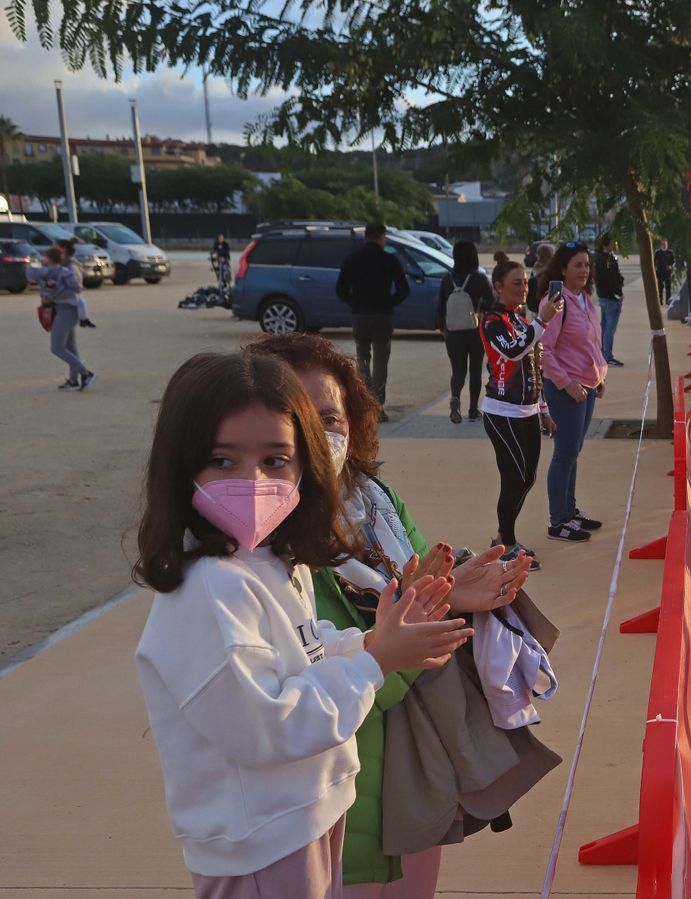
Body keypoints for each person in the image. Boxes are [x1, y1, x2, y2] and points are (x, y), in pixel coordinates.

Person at [131, 350, 470, 894]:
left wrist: (368, 642)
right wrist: (375, 662)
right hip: (261, 841)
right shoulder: (209, 590)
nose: (254, 480)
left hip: (308, 813)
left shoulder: (269, 559)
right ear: (180, 464)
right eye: (223, 460)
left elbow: (302, 650)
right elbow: (268, 724)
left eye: (275, 459)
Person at [249, 332, 536, 894]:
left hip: (417, 779)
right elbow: (310, 696)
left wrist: (455, 595)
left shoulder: (376, 502)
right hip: (339, 804)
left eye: (331, 416)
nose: (319, 432)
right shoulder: (266, 546)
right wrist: (417, 623)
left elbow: (418, 598)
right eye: (298, 414)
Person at [481, 251, 565, 561]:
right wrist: (542, 320)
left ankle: (503, 537)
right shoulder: (493, 320)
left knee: (527, 478)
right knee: (513, 478)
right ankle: (506, 545)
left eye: (527, 283)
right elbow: (515, 352)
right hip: (502, 412)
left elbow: (535, 363)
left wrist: (543, 409)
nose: (523, 289)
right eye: (517, 283)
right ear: (499, 285)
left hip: (528, 410)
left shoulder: (520, 318)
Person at [538, 242, 608, 543]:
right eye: (577, 265)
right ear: (563, 269)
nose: (584, 270)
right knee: (565, 453)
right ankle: (558, 521)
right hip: (566, 388)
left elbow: (591, 342)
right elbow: (543, 349)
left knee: (573, 451)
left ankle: (569, 510)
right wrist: (566, 382)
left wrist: (599, 374)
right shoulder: (557, 302)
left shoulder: (583, 299)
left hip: (587, 385)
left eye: (587, 265)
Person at [336, 222, 410, 421]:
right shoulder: (389, 259)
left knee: (362, 359)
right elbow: (404, 290)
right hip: (382, 316)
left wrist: (355, 303)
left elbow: (340, 290)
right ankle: (378, 407)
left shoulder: (352, 259)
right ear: (381, 236)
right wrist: (389, 303)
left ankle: (363, 406)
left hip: (360, 316)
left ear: (366, 236)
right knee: (380, 362)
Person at [437, 241, 493, 424]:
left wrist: (442, 328)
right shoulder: (479, 279)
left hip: (453, 331)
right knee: (475, 370)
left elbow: (440, 306)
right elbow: (491, 303)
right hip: (475, 330)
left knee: (458, 370)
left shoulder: (447, 279)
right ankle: (473, 410)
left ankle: (455, 398)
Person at [32, 245, 95, 391]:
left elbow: (73, 290)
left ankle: (86, 373)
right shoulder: (54, 272)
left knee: (57, 347)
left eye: (45, 256)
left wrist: (50, 298)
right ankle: (73, 380)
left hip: (66, 310)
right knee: (70, 347)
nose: (43, 259)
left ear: (50, 258)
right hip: (63, 309)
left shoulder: (65, 271)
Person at [592, 234, 626, 367]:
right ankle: (607, 355)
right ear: (608, 243)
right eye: (614, 242)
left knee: (604, 326)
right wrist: (619, 293)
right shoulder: (609, 259)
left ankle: (601, 352)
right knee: (610, 328)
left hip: (602, 295)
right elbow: (612, 279)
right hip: (611, 297)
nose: (616, 245)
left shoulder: (597, 258)